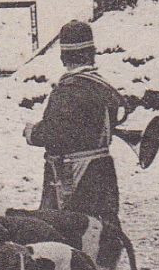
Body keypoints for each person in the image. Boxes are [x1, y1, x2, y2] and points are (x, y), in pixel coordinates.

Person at [24, 19, 128, 223]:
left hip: (72, 174)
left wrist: (32, 132)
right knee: (104, 228)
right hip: (103, 169)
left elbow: (54, 134)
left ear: (63, 57)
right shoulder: (103, 86)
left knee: (67, 229)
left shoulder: (67, 90)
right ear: (92, 53)